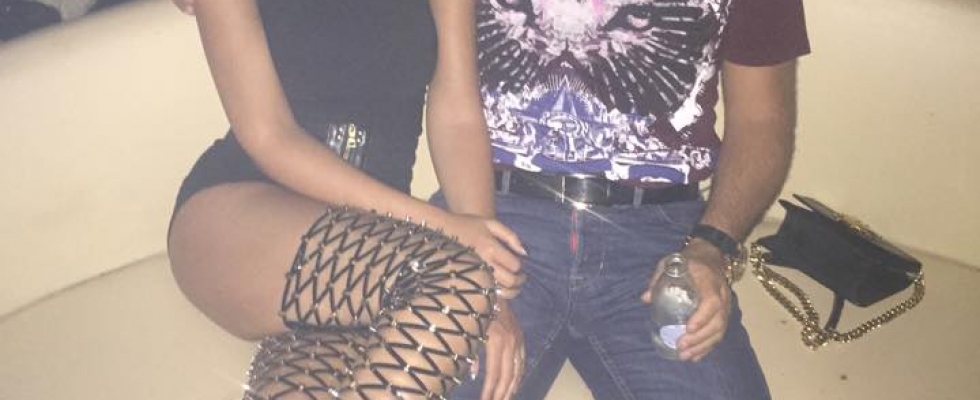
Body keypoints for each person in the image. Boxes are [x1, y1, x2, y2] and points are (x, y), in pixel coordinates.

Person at [174, 0, 811, 399]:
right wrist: (476, 272)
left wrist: (712, 246)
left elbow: (458, 110)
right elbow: (268, 134)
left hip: (646, 243)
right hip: (452, 215)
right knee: (441, 327)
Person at [166, 1, 529, 399]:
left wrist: (490, 283)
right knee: (460, 284)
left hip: (369, 255)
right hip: (243, 215)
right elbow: (269, 137)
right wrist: (448, 233)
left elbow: (457, 115)